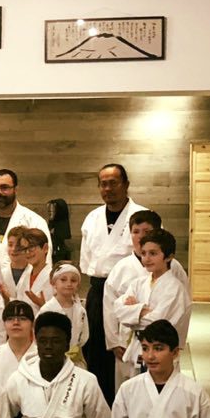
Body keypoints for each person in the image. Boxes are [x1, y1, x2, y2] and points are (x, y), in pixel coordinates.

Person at [79, 164, 147, 403]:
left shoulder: (143, 217)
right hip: (98, 290)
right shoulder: (92, 218)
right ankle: (100, 406)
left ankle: (130, 405)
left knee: (128, 353)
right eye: (103, 184)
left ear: (126, 184)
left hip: (133, 293)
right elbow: (87, 260)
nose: (108, 189)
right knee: (96, 350)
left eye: (113, 183)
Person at [104, 210, 189, 392]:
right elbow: (116, 309)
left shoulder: (174, 286)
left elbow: (159, 322)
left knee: (160, 395)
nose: (147, 258)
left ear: (168, 256)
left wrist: (133, 311)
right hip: (131, 345)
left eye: (153, 253)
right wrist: (142, 310)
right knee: (131, 394)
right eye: (144, 253)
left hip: (161, 349)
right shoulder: (137, 280)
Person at [0, 169, 51, 272]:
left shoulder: (34, 221)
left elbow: (43, 262)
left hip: (23, 280)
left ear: (16, 190)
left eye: (4, 187)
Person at [38, 263, 89, 368]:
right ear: (54, 283)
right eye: (63, 280)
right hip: (52, 359)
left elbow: (84, 336)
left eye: (73, 281)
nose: (69, 284)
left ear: (78, 285)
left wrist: (75, 351)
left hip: (75, 361)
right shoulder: (47, 310)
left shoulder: (81, 311)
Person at [0, 300, 38, 388]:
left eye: (22, 318)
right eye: (10, 319)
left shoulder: (40, 356)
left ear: (32, 324)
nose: (16, 322)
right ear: (4, 324)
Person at [9, 228, 53, 314]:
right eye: (24, 249)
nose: (28, 252)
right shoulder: (26, 275)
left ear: (45, 248)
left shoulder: (54, 277)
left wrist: (43, 305)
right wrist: (7, 298)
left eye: (31, 247)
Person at [0, 226, 29, 301]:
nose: (13, 249)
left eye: (18, 246)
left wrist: (9, 299)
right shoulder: (1, 273)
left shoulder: (34, 272)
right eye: (10, 245)